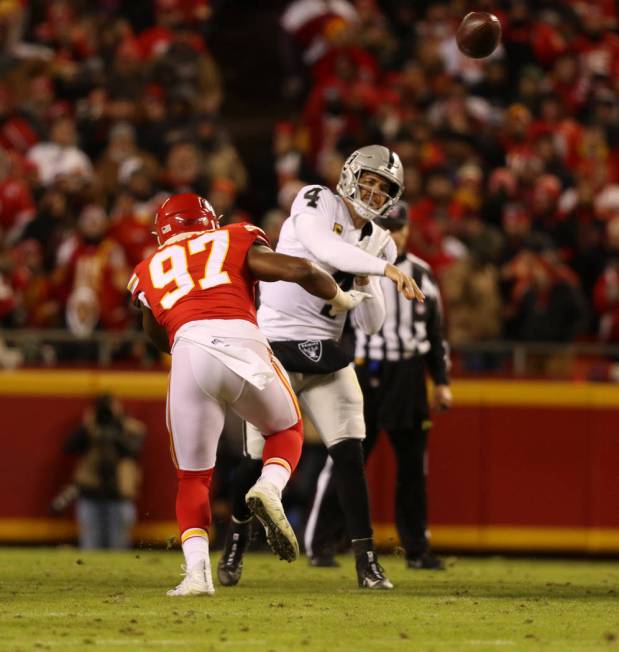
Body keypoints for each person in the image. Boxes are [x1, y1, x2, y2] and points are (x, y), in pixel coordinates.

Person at [127, 192, 416, 596]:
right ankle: (270, 485)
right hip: (241, 340)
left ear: (162, 232)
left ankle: (197, 575)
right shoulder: (234, 236)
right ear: (210, 220)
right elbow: (299, 269)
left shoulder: (147, 267)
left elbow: (155, 331)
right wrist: (340, 297)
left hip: (188, 353)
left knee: (192, 477)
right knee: (287, 428)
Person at [218, 145, 424, 590]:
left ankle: (366, 562)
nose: (373, 191)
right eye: (368, 180)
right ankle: (235, 539)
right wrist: (382, 268)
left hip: (326, 349)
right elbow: (323, 247)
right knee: (256, 458)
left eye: (383, 186)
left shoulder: (379, 240)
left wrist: (372, 279)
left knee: (350, 454)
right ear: (351, 175)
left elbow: (371, 322)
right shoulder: (317, 199)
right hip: (275, 341)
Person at [304, 202, 452, 570]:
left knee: (413, 468)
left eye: (400, 227)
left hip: (408, 375)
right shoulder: (352, 263)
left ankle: (416, 548)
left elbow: (435, 333)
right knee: (346, 457)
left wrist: (442, 382)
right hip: (366, 369)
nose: (396, 234)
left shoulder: (423, 273)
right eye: (389, 226)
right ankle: (321, 543)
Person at [51, 394, 145, 550]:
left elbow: (133, 451)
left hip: (119, 495)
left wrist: (117, 427)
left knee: (119, 546)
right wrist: (87, 427)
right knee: (91, 545)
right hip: (91, 494)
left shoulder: (129, 428)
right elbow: (69, 447)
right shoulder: (90, 429)